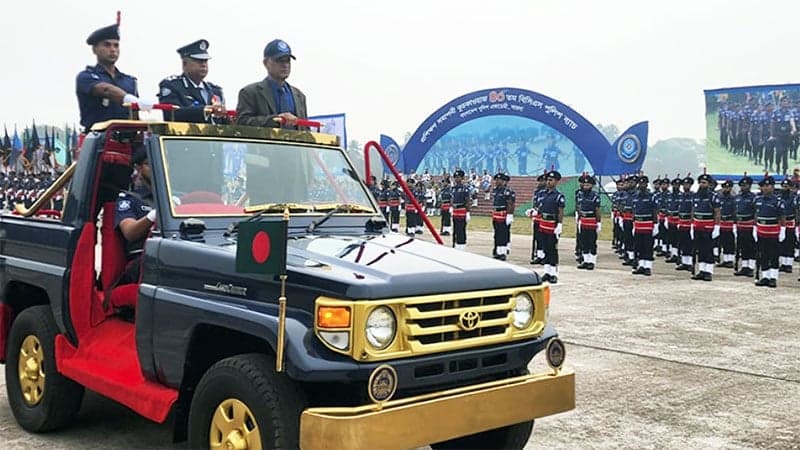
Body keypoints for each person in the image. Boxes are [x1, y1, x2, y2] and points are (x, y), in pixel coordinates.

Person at [76, 24, 149, 131]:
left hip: (127, 140)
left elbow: (133, 116)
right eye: (107, 45)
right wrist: (128, 99)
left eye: (116, 45)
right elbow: (106, 90)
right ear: (94, 49)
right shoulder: (86, 76)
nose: (113, 49)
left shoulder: (130, 81)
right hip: (98, 139)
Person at [237, 39, 308, 129]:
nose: (285, 65)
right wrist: (276, 120)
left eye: (287, 60)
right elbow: (242, 123)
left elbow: (305, 129)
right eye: (279, 60)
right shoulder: (250, 93)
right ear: (266, 63)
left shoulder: (299, 96)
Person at [157, 39, 228, 124]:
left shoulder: (215, 91)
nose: (203, 65)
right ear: (184, 64)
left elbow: (224, 121)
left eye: (205, 61)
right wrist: (204, 110)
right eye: (198, 61)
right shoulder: (172, 86)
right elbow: (171, 114)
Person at [115, 146, 156, 285]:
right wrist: (153, 216)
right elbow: (130, 232)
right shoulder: (128, 199)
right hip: (143, 259)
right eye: (150, 164)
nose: (157, 168)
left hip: (170, 252)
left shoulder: (172, 196)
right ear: (138, 168)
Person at [754, 175, 785, 287]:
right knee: (763, 255)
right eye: (763, 186)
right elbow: (756, 215)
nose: (765, 188)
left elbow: (782, 217)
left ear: (772, 187)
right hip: (761, 232)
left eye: (768, 186)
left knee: (773, 255)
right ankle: (765, 276)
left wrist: (783, 230)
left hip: (773, 233)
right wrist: (755, 228)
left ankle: (773, 277)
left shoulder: (777, 201)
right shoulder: (757, 199)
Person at [690, 173, 721, 281]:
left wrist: (717, 227)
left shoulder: (713, 196)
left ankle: (708, 271)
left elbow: (717, 212)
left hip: (708, 227)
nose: (701, 185)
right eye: (700, 182)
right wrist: (691, 224)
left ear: (709, 184)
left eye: (704, 183)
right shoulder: (696, 196)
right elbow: (693, 211)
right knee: (700, 250)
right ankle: (702, 270)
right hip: (697, 226)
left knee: (708, 250)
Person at [538, 170, 565, 283]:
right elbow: (540, 207)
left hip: (552, 224)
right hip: (543, 223)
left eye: (551, 180)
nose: (548, 182)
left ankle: (553, 273)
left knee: (552, 249)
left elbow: (560, 211)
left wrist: (559, 224)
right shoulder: (542, 194)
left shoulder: (558, 196)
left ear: (557, 181)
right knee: (545, 248)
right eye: (548, 180)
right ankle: (547, 272)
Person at [630, 175, 658, 276]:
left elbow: (655, 211)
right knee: (639, 246)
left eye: (643, 183)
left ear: (646, 184)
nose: (641, 185)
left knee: (647, 246)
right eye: (640, 183)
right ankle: (641, 265)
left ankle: (648, 267)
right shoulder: (635, 197)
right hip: (638, 225)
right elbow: (634, 211)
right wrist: (633, 223)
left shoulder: (651, 196)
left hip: (648, 224)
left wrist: (655, 225)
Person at [576, 173, 601, 270]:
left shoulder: (595, 196)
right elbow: (578, 206)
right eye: (584, 185)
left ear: (592, 185)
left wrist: (598, 222)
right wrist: (579, 218)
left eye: (588, 185)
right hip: (583, 220)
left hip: (591, 220)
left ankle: (592, 261)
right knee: (583, 241)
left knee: (592, 242)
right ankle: (586, 260)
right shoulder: (580, 194)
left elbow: (597, 210)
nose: (586, 186)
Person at [734, 175, 758, 277]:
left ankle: (751, 267)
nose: (743, 187)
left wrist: (755, 226)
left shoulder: (753, 198)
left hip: (749, 224)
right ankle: (744, 266)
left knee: (750, 246)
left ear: (749, 186)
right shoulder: (738, 197)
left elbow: (756, 212)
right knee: (742, 246)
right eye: (742, 185)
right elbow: (735, 211)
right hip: (740, 225)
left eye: (746, 185)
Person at [490, 173, 515, 260]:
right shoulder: (495, 190)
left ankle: (503, 252)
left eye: (499, 180)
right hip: (496, 215)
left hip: (503, 214)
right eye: (496, 179)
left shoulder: (507, 191)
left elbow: (510, 203)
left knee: (503, 234)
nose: (497, 181)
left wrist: (510, 215)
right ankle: (497, 250)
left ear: (503, 181)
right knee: (497, 234)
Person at [716, 179, 737, 269]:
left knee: (730, 242)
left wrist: (735, 223)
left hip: (729, 222)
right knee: (722, 241)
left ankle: (730, 260)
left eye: (728, 187)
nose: (726, 189)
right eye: (724, 187)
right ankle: (725, 260)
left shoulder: (733, 199)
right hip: (722, 222)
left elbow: (735, 211)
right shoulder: (719, 198)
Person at [778, 178, 797, 273]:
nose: (784, 188)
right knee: (782, 243)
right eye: (783, 186)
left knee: (790, 243)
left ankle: (789, 264)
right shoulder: (779, 197)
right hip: (781, 223)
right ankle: (783, 263)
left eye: (786, 186)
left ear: (790, 187)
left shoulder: (794, 197)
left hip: (790, 221)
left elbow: (796, 210)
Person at [528, 173, 547, 264]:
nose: (541, 183)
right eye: (540, 181)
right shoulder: (537, 192)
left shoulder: (549, 192)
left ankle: (545, 255)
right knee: (537, 238)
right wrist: (532, 211)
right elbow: (535, 203)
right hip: (537, 218)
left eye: (543, 181)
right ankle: (538, 255)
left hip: (545, 219)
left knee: (545, 238)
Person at [451, 169, 471, 249]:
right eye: (455, 177)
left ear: (462, 178)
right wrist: (451, 208)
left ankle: (461, 245)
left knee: (461, 229)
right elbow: (452, 199)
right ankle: (455, 244)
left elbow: (467, 201)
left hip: (462, 210)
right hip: (455, 210)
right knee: (455, 229)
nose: (456, 179)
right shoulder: (453, 188)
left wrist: (468, 212)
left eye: (458, 177)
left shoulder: (465, 189)